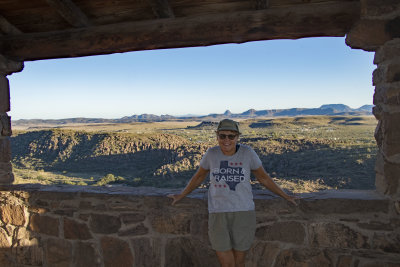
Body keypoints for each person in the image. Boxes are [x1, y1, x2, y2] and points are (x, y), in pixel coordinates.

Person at [168, 119, 297, 267]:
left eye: (231, 136)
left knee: (239, 261)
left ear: (237, 137)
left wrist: (285, 195)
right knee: (227, 263)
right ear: (217, 136)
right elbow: (198, 177)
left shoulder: (247, 153)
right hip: (218, 212)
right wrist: (181, 195)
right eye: (222, 136)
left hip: (243, 212)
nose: (227, 140)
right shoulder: (212, 154)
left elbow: (263, 178)